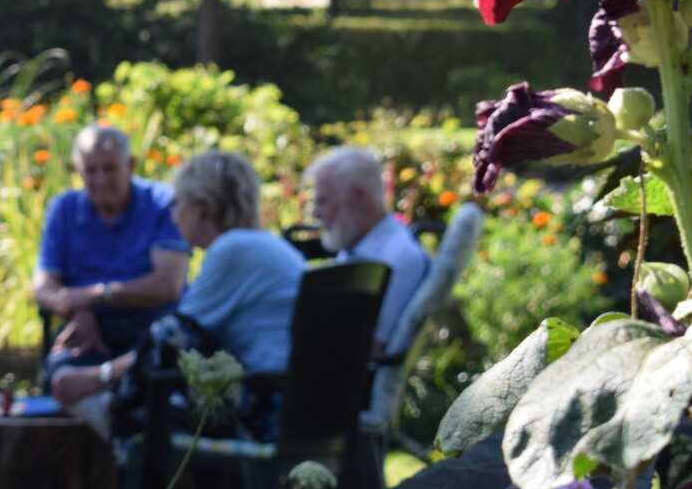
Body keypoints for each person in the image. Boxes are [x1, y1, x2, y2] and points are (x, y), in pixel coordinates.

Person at [50, 149, 304, 417]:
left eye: (178, 204)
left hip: (268, 402)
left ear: (200, 210)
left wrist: (98, 377)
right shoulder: (266, 246)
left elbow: (171, 342)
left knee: (120, 406)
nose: (173, 216)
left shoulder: (233, 249)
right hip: (289, 395)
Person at [33, 125, 188, 388]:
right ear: (78, 170)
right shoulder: (64, 209)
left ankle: (119, 418)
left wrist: (95, 294)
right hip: (89, 331)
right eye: (91, 171)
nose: (101, 180)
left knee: (157, 379)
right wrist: (77, 309)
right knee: (61, 378)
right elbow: (43, 287)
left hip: (155, 329)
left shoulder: (162, 202)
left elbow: (168, 286)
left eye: (110, 169)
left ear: (130, 164)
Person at [307, 147, 430, 354]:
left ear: (358, 197)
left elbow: (368, 352)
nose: (315, 213)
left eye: (323, 201)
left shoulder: (397, 258)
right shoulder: (361, 245)